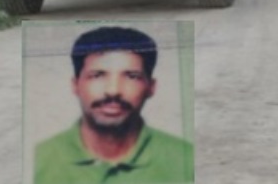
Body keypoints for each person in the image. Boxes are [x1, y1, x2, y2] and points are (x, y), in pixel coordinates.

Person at [34, 26, 194, 184]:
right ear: (76, 84)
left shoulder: (186, 160)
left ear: (151, 87)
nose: (113, 90)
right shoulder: (38, 161)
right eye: (97, 75)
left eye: (131, 76)